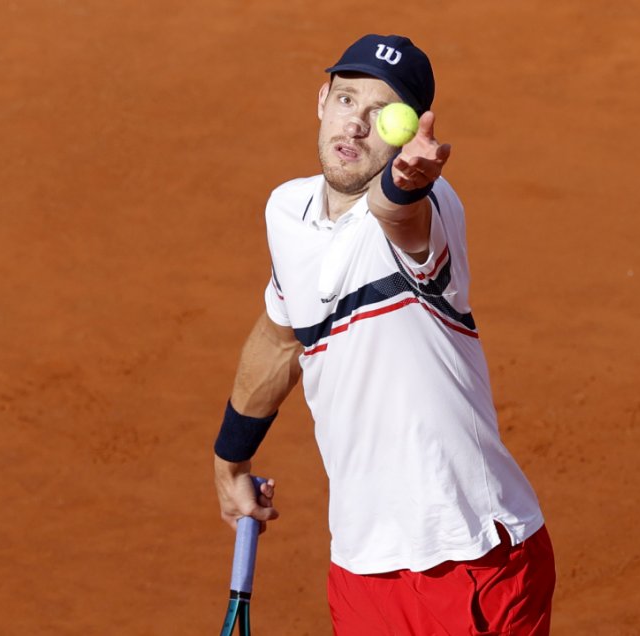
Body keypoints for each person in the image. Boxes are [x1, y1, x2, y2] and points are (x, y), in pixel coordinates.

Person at [212, 34, 555, 635]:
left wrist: (407, 182)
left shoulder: (432, 209)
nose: (356, 126)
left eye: (382, 115)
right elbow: (280, 340)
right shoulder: (287, 213)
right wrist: (229, 461)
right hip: (362, 566)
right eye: (347, 100)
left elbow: (400, 212)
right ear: (322, 100)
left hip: (471, 558)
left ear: (406, 131)